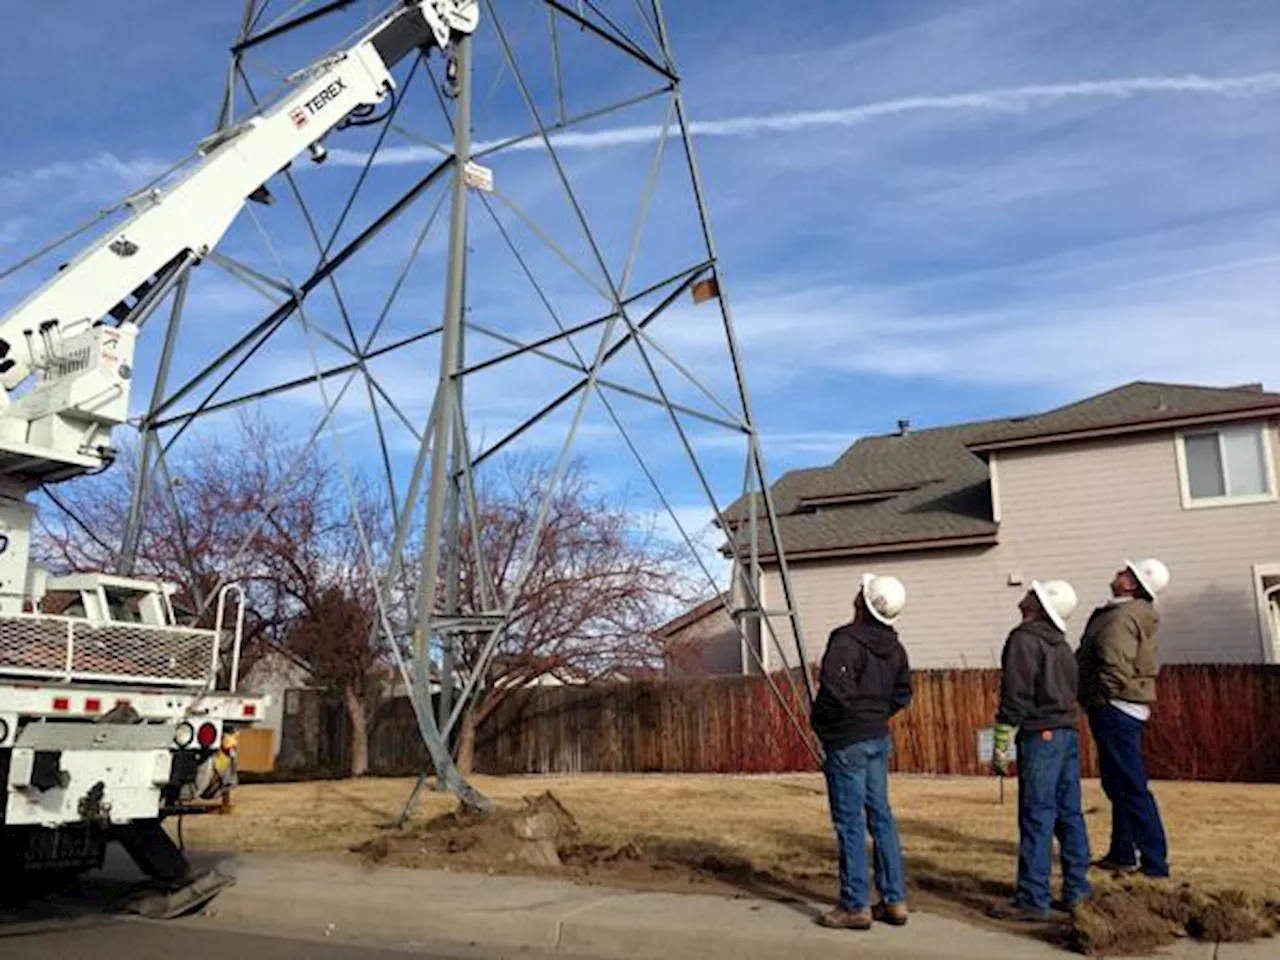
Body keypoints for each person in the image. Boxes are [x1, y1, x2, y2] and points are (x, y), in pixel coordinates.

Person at [810, 573, 912, 931]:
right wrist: (875, 714)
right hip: (876, 736)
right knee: (881, 817)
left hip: (848, 740)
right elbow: (902, 694)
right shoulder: (896, 648)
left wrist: (826, 727)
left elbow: (833, 692)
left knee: (850, 822)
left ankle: (855, 904)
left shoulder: (845, 640)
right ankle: (894, 899)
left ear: (863, 603)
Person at [988, 580, 1092, 923]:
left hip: (1040, 736)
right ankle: (1077, 891)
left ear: (1038, 605)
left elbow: (1015, 692)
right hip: (1066, 733)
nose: (1025, 595)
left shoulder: (1024, 639)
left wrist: (1001, 740)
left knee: (1037, 815)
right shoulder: (1060, 644)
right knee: (1069, 814)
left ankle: (1033, 897)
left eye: (1032, 593)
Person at [1076, 558, 1171, 879]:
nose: (1118, 573)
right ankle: (1122, 852)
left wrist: (1103, 697)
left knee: (1130, 785)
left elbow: (1113, 662)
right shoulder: (1126, 613)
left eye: (1125, 572)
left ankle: (1154, 863)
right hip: (1122, 704)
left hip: (1115, 706)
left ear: (1132, 585)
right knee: (1118, 783)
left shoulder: (1121, 617)